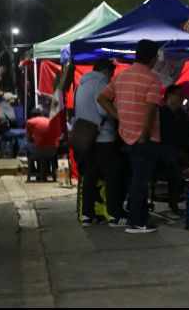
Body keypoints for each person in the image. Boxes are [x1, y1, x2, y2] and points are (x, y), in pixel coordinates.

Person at [98, 39, 163, 234]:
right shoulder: (152, 79)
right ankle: (136, 221)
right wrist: (144, 136)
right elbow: (150, 110)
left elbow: (101, 98)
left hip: (126, 135)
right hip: (145, 137)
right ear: (153, 58)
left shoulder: (121, 77)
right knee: (140, 179)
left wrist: (119, 116)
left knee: (136, 177)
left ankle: (140, 217)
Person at [75, 59, 127, 227]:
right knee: (114, 174)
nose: (111, 78)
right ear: (105, 71)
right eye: (111, 74)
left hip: (86, 138)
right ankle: (114, 215)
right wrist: (118, 111)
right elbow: (102, 109)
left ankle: (87, 215)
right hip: (102, 137)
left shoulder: (81, 85)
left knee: (91, 175)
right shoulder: (100, 82)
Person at [157, 84, 189, 213]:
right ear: (169, 96)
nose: (181, 99)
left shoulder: (183, 116)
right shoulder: (160, 114)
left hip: (180, 152)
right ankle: (174, 201)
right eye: (179, 96)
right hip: (163, 153)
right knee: (171, 155)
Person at [20, 108, 59, 178]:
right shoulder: (49, 120)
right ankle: (47, 169)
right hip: (53, 151)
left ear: (31, 116)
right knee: (41, 145)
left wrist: (34, 139)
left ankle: (33, 169)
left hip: (40, 151)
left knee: (25, 145)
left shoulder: (30, 122)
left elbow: (28, 138)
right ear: (41, 115)